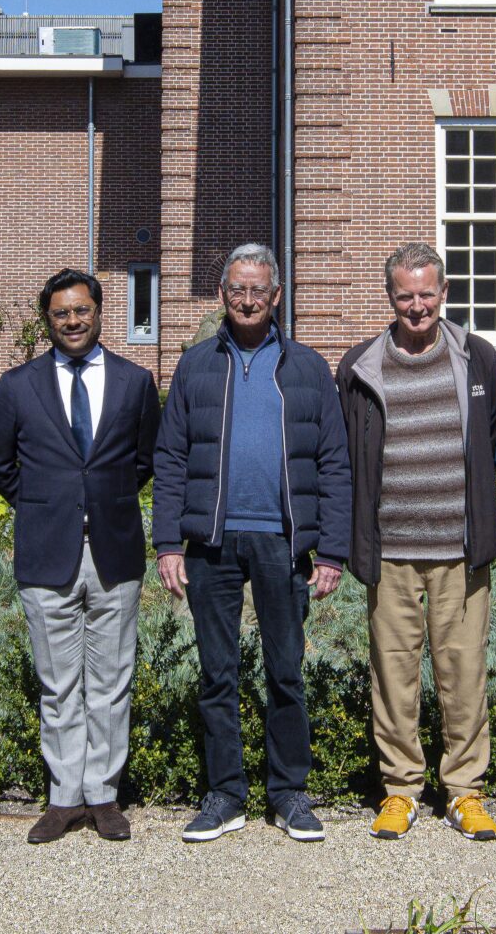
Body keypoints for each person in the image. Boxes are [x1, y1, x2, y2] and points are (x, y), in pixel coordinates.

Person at [152, 242, 352, 844]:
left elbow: (335, 462)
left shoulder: (309, 367)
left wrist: (333, 550)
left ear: (275, 296)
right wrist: (167, 541)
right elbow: (171, 457)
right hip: (211, 542)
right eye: (236, 289)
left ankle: (289, 792)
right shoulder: (194, 366)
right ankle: (225, 794)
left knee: (285, 672)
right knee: (218, 673)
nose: (246, 299)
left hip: (283, 543)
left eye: (257, 290)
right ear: (222, 295)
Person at [0, 269, 160, 844]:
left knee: (111, 679)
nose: (73, 321)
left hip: (114, 551)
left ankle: (103, 795)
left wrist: (98, 500)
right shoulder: (18, 385)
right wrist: (42, 504)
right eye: (61, 314)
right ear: (48, 321)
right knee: (58, 684)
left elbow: (144, 459)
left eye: (82, 310)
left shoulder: (135, 382)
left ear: (100, 312)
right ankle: (63, 798)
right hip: (46, 550)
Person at [336, 243, 496, 843]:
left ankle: (465, 790)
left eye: (426, 294)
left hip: (460, 550)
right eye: (405, 295)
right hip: (390, 551)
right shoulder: (359, 367)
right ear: (390, 297)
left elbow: (488, 437)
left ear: (444, 293)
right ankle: (401, 789)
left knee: (463, 672)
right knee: (393, 674)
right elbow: (349, 458)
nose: (417, 306)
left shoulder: (478, 359)